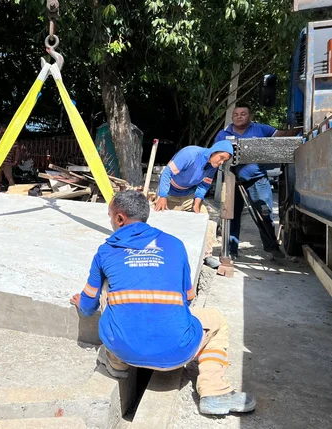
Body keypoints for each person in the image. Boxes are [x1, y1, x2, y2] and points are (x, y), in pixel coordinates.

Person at [71, 190, 255, 416]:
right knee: (216, 319)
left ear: (120, 219)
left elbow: (89, 307)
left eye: (110, 216)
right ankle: (214, 391)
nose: (110, 222)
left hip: (123, 347)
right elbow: (188, 298)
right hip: (177, 352)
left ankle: (116, 362)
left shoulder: (105, 251)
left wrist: (84, 302)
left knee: (108, 292)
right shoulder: (174, 245)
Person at [214, 104, 297, 259]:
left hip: (258, 180)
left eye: (243, 113)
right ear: (232, 117)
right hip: (232, 181)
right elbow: (215, 154)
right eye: (236, 114)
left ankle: (272, 248)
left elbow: (281, 136)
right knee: (231, 215)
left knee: (265, 213)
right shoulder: (223, 134)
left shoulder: (261, 129)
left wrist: (298, 130)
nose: (239, 116)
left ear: (250, 116)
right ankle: (231, 250)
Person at [154, 140, 234, 269]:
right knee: (163, 221)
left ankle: (206, 255)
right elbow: (166, 173)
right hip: (169, 194)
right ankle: (158, 252)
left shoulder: (212, 167)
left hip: (188, 196)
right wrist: (162, 196)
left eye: (225, 161)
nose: (221, 162)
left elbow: (204, 184)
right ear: (214, 151)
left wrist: (197, 202)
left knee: (204, 217)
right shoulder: (190, 154)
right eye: (221, 158)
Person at [0, 124, 20, 192]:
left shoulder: (11, 139)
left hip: (7, 162)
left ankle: (14, 192)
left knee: (9, 178)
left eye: (3, 129)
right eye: (0, 129)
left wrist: (15, 161)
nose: (2, 131)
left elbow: (17, 150)